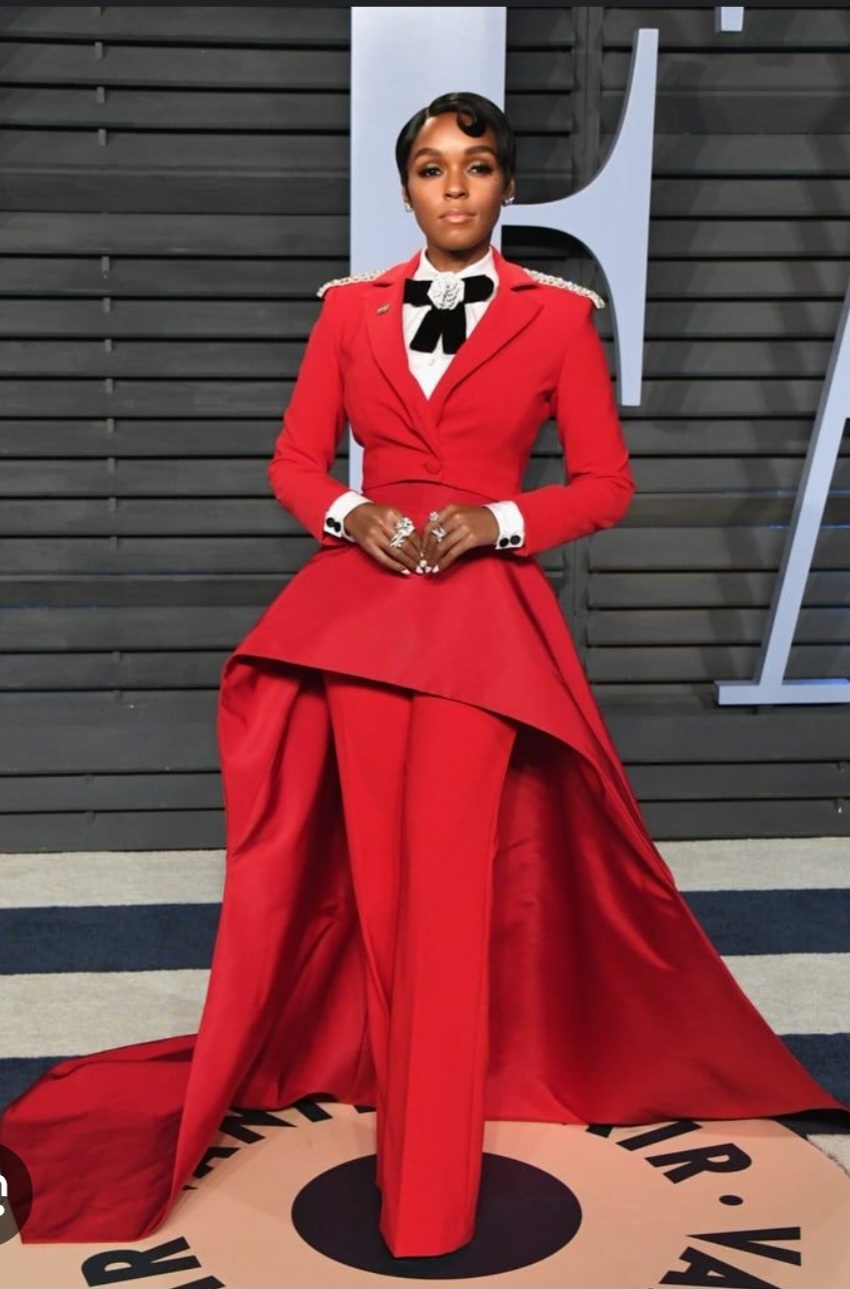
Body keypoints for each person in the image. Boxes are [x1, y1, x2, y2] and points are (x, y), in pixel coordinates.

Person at [1, 90, 846, 1260]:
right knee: (385, 891)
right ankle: (400, 1118)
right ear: (405, 187)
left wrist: (500, 519)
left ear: (507, 185)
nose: (455, 185)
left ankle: (428, 1192)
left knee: (443, 900)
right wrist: (350, 513)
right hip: (358, 621)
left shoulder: (557, 318)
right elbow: (294, 460)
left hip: (479, 634)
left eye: (477, 164)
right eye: (433, 166)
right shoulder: (347, 311)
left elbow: (605, 484)